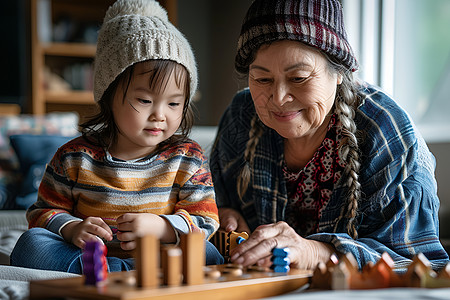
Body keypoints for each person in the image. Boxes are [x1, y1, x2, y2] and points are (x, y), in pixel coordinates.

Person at [210, 0, 449, 271]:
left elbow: (422, 264)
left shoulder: (384, 131)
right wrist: (221, 215)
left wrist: (315, 252)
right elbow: (214, 202)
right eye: (262, 79)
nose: (278, 98)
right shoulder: (241, 118)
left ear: (338, 73)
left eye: (298, 77)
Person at [11, 0, 223, 274]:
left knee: (208, 251)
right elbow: (42, 212)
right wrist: (73, 228)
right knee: (31, 245)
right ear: (109, 96)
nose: (160, 115)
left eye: (173, 104)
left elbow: (205, 219)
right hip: (91, 256)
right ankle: (108, 270)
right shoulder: (74, 158)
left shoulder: (187, 158)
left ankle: (129, 272)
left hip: (161, 259)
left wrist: (163, 227)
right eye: (145, 100)